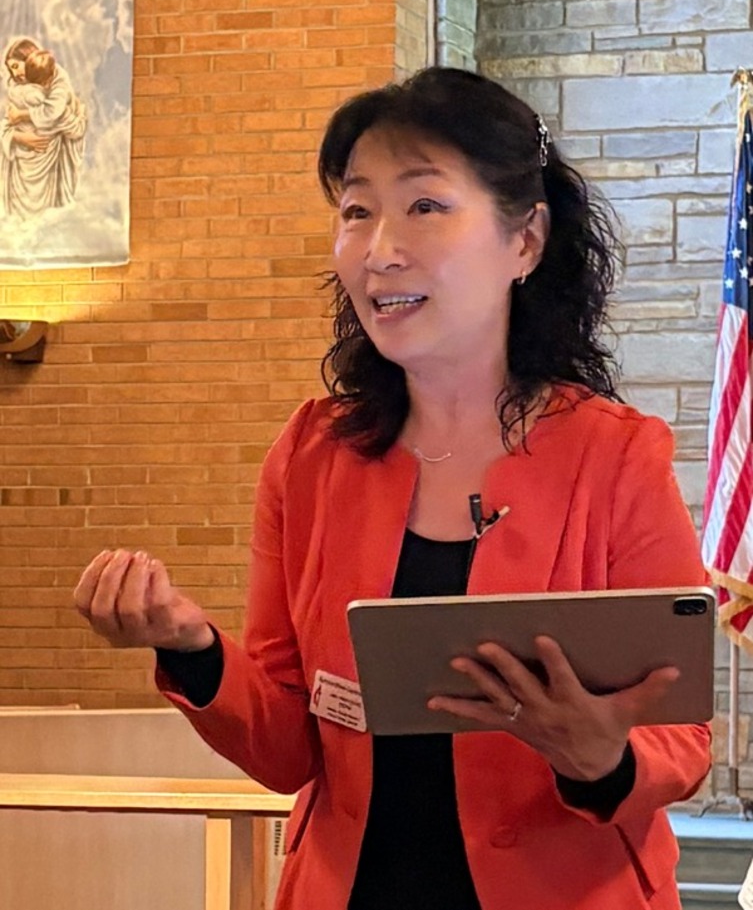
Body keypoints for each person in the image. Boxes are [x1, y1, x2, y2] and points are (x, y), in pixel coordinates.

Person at [74, 67, 711, 910]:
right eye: (356, 210)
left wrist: (602, 756)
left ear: (525, 241)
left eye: (424, 205)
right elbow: (286, 749)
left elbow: (681, 733)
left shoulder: (616, 454)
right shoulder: (311, 455)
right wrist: (191, 647)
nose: (379, 249)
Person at [1, 36, 87, 219]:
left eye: (16, 66)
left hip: (48, 168)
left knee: (46, 218)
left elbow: (60, 118)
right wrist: (18, 136)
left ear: (30, 59)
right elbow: (6, 124)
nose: (14, 74)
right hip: (20, 171)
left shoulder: (57, 87)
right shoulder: (17, 89)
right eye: (10, 69)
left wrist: (21, 115)